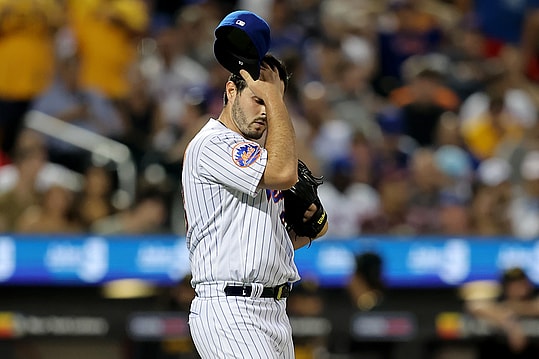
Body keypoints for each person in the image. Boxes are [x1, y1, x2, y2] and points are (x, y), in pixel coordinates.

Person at [181, 52, 329, 358]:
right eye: (258, 99)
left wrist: (310, 227)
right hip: (231, 308)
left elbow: (271, 240)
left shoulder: (259, 157)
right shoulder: (212, 143)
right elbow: (283, 173)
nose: (266, 111)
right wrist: (276, 97)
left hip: (274, 309)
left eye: (270, 102)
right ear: (232, 91)